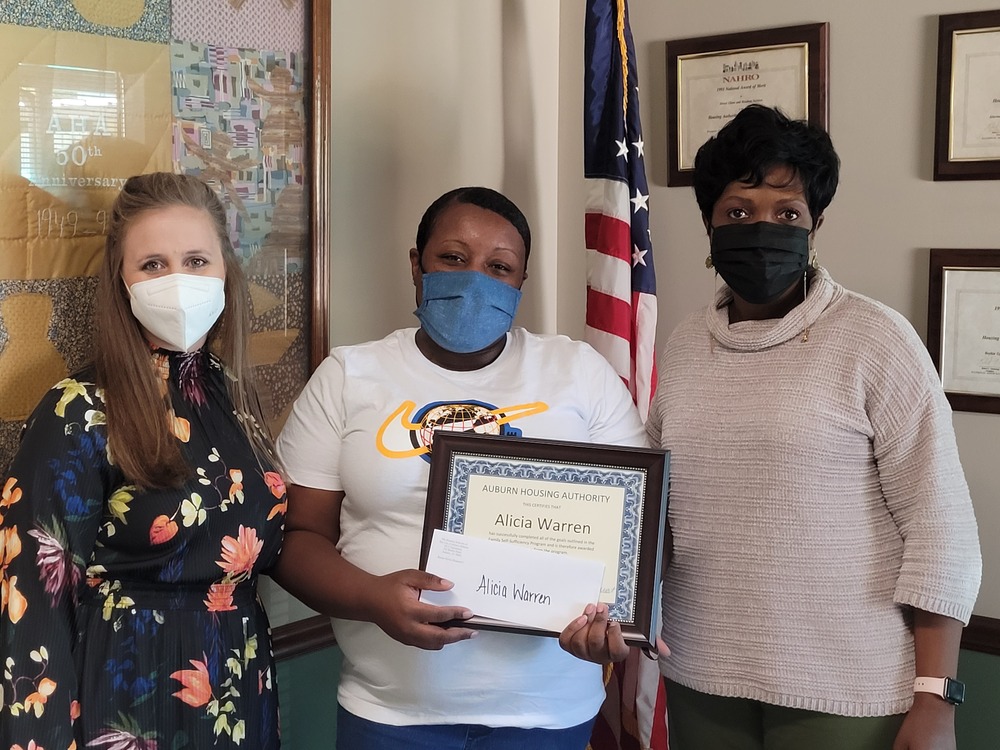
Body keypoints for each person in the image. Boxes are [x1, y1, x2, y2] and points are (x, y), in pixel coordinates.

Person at [646, 104, 982, 750]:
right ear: (710, 226)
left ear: (814, 225)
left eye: (786, 214)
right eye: (738, 213)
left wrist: (938, 698)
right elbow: (658, 509)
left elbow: (941, 526)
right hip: (700, 675)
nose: (761, 228)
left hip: (846, 689)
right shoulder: (686, 347)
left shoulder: (876, 340)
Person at [273, 186, 647, 749]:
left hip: (547, 713)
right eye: (452, 257)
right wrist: (373, 597)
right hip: (390, 712)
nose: (475, 279)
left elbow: (633, 532)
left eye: (500, 267)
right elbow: (298, 537)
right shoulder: (350, 375)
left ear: (520, 285)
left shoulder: (578, 373)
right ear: (416, 264)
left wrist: (613, 619)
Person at [0, 173, 286, 749]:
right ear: (122, 281)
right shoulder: (77, 412)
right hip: (126, 698)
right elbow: (29, 605)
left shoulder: (235, 399)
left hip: (240, 690)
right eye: (153, 264)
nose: (179, 280)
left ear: (225, 270)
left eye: (197, 259)